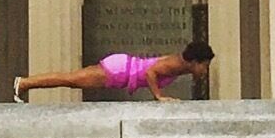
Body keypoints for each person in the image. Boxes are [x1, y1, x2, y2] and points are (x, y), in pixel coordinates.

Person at [12, 42, 214, 103]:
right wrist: (159, 96)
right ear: (195, 61)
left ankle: (25, 83)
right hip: (119, 71)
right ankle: (25, 84)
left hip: (120, 68)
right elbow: (152, 72)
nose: (204, 70)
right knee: (70, 79)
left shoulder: (179, 63)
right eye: (204, 65)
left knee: (71, 79)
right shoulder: (177, 65)